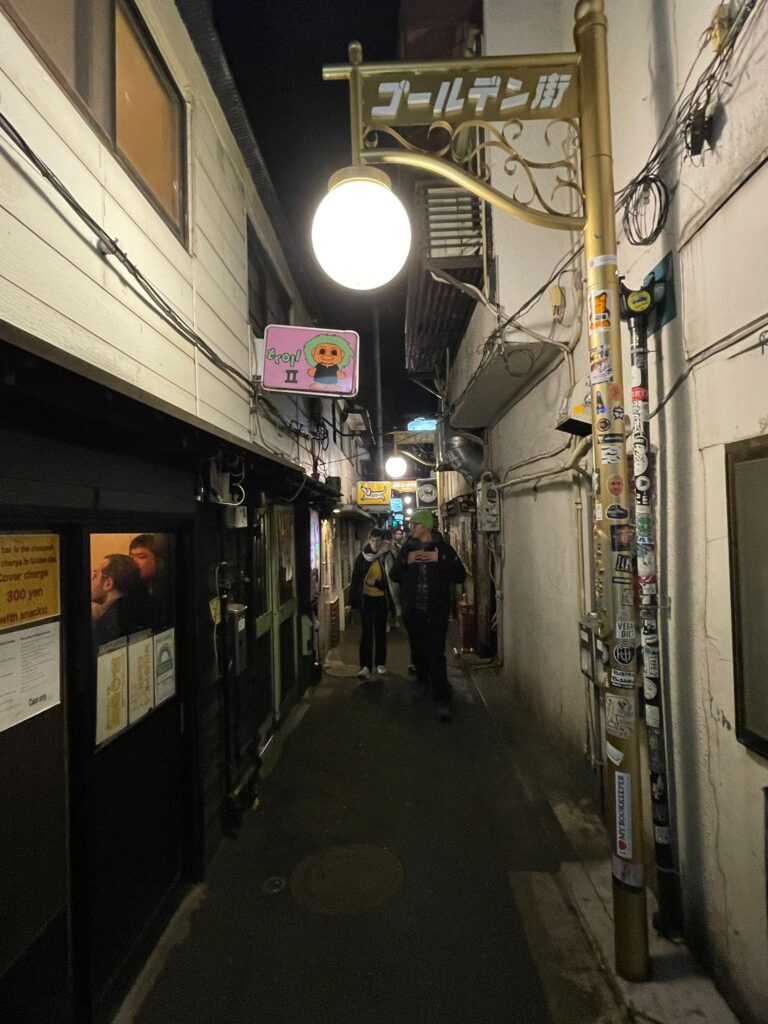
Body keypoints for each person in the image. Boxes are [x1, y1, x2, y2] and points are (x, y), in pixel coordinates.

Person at [389, 510, 466, 721]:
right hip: (413, 611)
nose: (411, 528)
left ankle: (443, 698)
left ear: (425, 527)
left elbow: (460, 575)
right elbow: (394, 575)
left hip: (436, 611)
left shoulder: (443, 549)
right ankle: (422, 682)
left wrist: (439, 559)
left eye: (414, 524)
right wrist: (407, 561)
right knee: (419, 651)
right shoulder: (407, 549)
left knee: (436, 653)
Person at [346, 528, 393, 679]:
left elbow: (392, 581)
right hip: (366, 599)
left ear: (383, 541)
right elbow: (356, 580)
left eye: (378, 540)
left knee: (380, 632)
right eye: (373, 540)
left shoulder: (386, 556)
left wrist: (378, 583)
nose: (376, 544)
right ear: (369, 540)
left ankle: (380, 663)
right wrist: (350, 603)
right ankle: (365, 666)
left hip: (381, 599)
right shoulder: (362, 557)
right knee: (366, 633)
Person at [91, 553, 148, 647]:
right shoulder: (139, 611)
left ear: (108, 583)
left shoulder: (106, 627)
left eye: (95, 575)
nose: (91, 581)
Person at [129, 533, 172, 631]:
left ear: (158, 561)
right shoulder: (132, 588)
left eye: (141, 556)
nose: (134, 562)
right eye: (131, 557)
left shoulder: (169, 589)